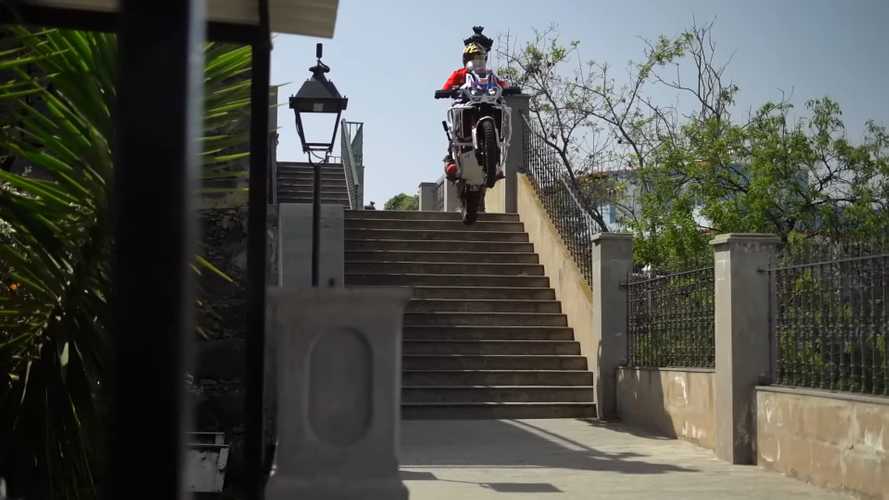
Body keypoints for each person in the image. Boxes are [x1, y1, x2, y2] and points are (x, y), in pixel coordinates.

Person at [441, 26, 508, 181]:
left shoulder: (489, 75)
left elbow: (501, 83)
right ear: (466, 60)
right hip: (466, 105)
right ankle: (451, 160)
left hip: (487, 103)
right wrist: (447, 91)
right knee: (454, 124)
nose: (476, 61)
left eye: (479, 57)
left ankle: (495, 164)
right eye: (472, 57)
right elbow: (446, 86)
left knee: (500, 113)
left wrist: (507, 88)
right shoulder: (459, 73)